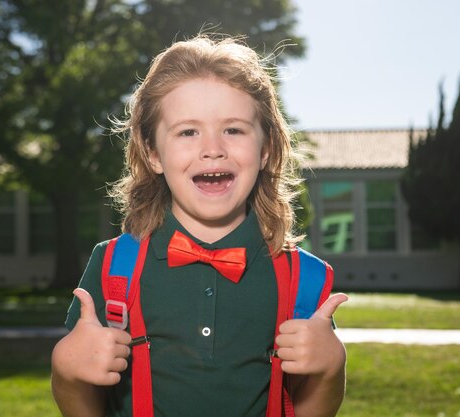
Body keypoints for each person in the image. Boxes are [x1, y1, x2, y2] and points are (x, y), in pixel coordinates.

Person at [51, 34, 348, 417]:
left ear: (267, 149)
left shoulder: (302, 279)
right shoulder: (112, 266)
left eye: (234, 130)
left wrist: (330, 368)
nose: (212, 148)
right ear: (153, 153)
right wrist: (67, 371)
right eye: (188, 131)